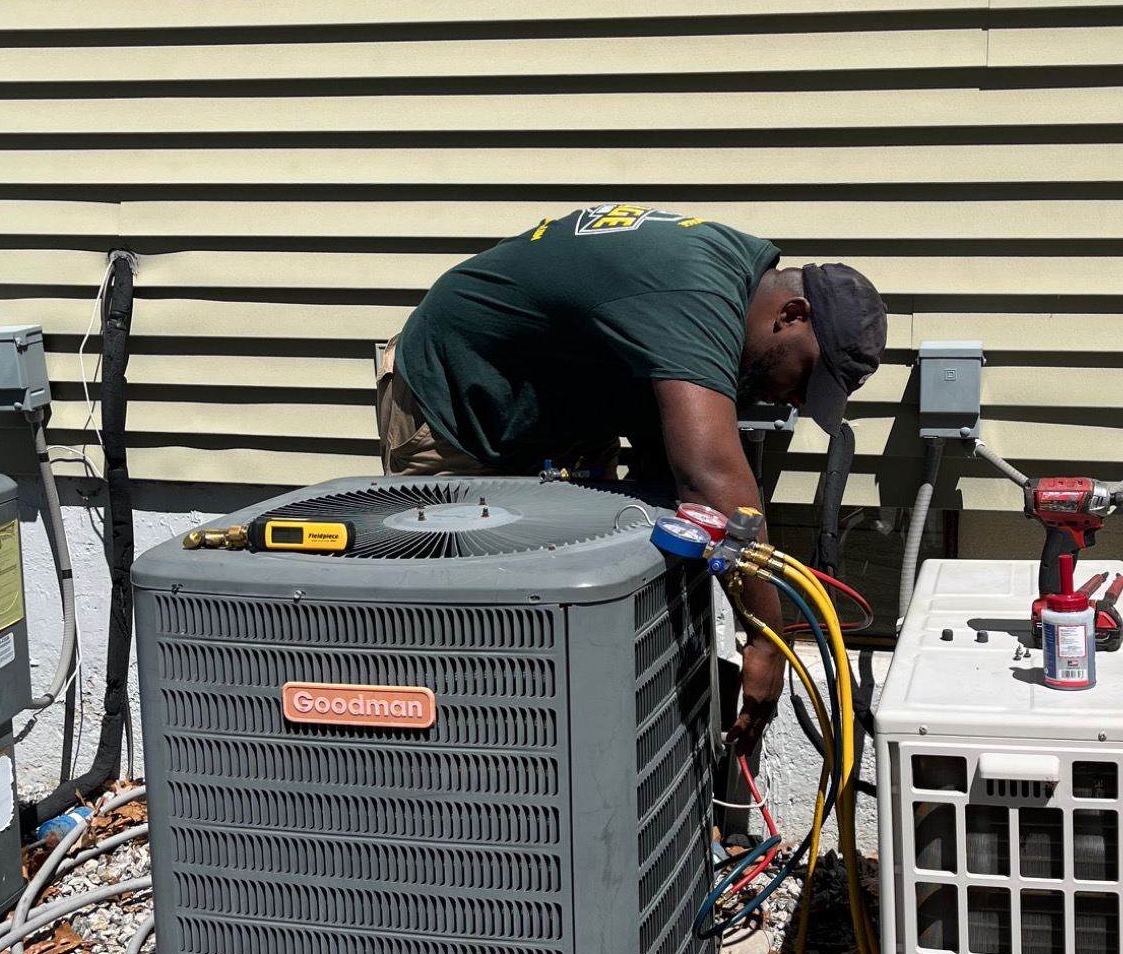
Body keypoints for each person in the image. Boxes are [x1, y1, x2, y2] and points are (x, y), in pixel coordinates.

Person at [377, 202, 887, 750]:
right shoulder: (695, 292)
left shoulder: (738, 289)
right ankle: (469, 760)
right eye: (806, 379)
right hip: (459, 403)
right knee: (467, 619)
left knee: (606, 570)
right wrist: (765, 639)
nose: (798, 402)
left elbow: (683, 480)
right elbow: (709, 478)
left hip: (568, 407)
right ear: (791, 314)